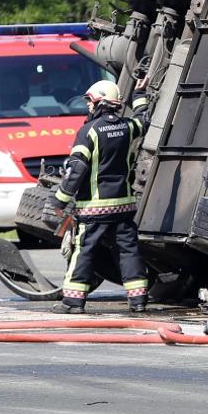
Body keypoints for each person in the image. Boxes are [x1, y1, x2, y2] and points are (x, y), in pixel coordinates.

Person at [54, 80, 149, 313]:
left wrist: (60, 199)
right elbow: (144, 119)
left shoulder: (89, 131)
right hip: (124, 206)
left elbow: (76, 170)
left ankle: (73, 302)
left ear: (99, 102)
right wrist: (139, 94)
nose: (88, 106)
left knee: (84, 250)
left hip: (94, 208)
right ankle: (138, 301)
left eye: (90, 101)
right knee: (129, 251)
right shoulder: (128, 127)